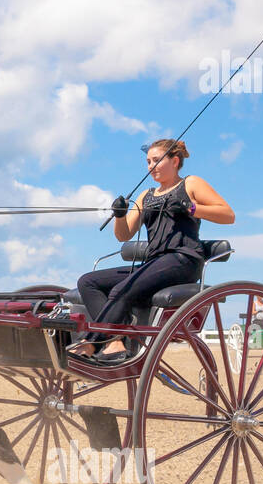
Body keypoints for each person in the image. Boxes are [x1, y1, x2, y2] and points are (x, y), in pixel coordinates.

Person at [68, 139, 234, 364]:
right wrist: (119, 215)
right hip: (155, 262)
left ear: (174, 161)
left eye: (156, 160)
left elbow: (227, 215)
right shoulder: (145, 196)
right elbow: (123, 235)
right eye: (148, 162)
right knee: (88, 281)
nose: (150, 166)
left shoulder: (190, 184)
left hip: (183, 259)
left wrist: (191, 208)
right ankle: (114, 340)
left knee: (122, 288)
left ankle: (90, 342)